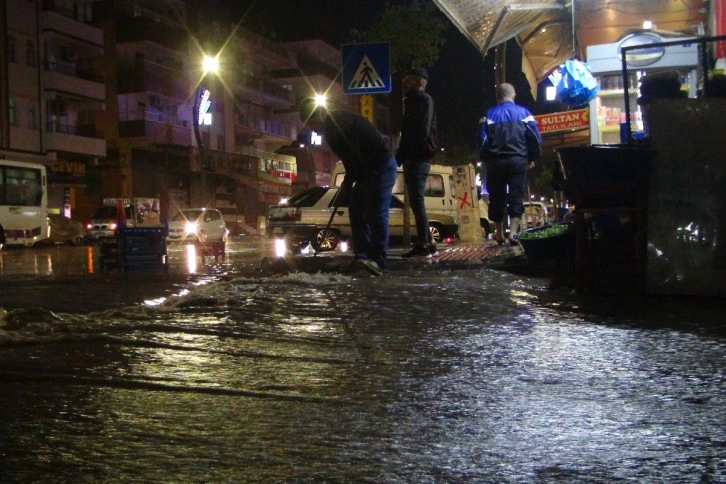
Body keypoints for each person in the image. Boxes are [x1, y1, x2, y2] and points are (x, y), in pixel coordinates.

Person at [298, 98, 397, 276]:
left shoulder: (339, 125)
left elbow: (353, 156)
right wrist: (348, 181)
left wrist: (348, 181)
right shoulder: (332, 127)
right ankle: (362, 256)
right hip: (366, 170)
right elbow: (350, 159)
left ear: (319, 115)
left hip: (381, 166)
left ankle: (378, 261)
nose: (312, 128)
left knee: (376, 212)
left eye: (311, 123)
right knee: (356, 209)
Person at [478, 82, 542, 245]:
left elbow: (483, 141)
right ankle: (513, 233)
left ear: (498, 97)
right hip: (518, 161)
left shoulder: (489, 115)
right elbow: (535, 139)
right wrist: (532, 158)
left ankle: (499, 233)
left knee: (496, 196)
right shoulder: (525, 114)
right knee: (516, 196)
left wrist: (486, 159)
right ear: (513, 96)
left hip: (496, 162)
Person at [395, 67, 439, 258]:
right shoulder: (413, 101)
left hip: (418, 156)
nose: (404, 83)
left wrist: (407, 153)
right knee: (416, 201)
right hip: (414, 156)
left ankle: (423, 244)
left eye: (408, 79)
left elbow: (420, 130)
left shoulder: (423, 100)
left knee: (416, 201)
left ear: (419, 82)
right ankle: (429, 244)